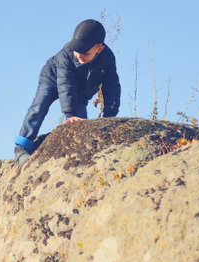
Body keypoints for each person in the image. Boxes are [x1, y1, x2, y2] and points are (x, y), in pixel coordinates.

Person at [14, 19, 121, 164]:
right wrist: (69, 114)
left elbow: (112, 86)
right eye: (77, 51)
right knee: (39, 106)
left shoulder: (107, 58)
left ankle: (76, 155)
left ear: (99, 49)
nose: (79, 55)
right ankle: (22, 146)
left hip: (81, 90)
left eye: (85, 52)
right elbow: (65, 84)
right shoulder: (66, 55)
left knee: (80, 123)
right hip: (52, 79)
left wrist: (110, 115)